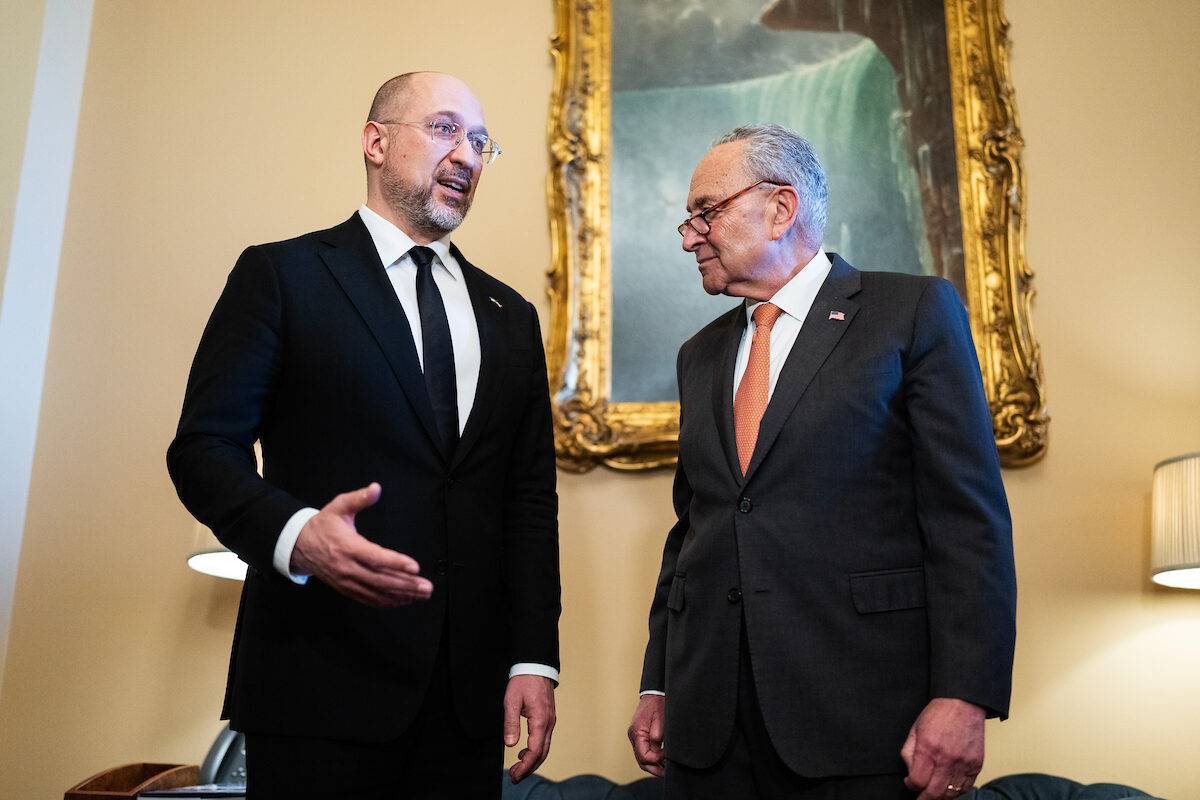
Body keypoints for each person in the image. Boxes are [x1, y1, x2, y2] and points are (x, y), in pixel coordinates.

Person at [168, 71, 560, 799]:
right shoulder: (282, 275)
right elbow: (201, 450)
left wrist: (533, 660)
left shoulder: (511, 315)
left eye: (481, 142)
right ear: (375, 141)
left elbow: (529, 500)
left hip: (466, 707)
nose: (468, 155)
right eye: (444, 129)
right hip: (317, 683)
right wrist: (295, 536)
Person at [627, 124, 1017, 800]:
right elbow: (693, 532)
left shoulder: (912, 313)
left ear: (780, 208)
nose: (689, 235)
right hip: (709, 733)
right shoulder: (700, 354)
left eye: (706, 212)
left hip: (862, 724)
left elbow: (968, 523)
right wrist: (658, 681)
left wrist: (965, 697)